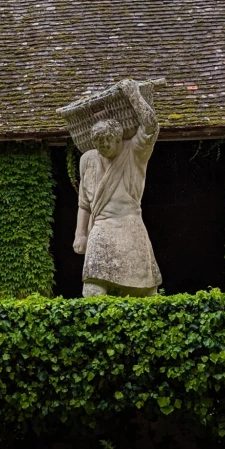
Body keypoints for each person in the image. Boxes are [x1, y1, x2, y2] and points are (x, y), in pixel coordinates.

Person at [73, 78, 161, 296]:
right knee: (93, 288)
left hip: (130, 224)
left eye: (107, 144)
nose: (102, 149)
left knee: (145, 292)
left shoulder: (134, 152)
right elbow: (84, 203)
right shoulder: (88, 159)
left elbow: (151, 126)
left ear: (119, 140)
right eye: (98, 145)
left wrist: (134, 95)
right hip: (101, 228)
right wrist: (80, 233)